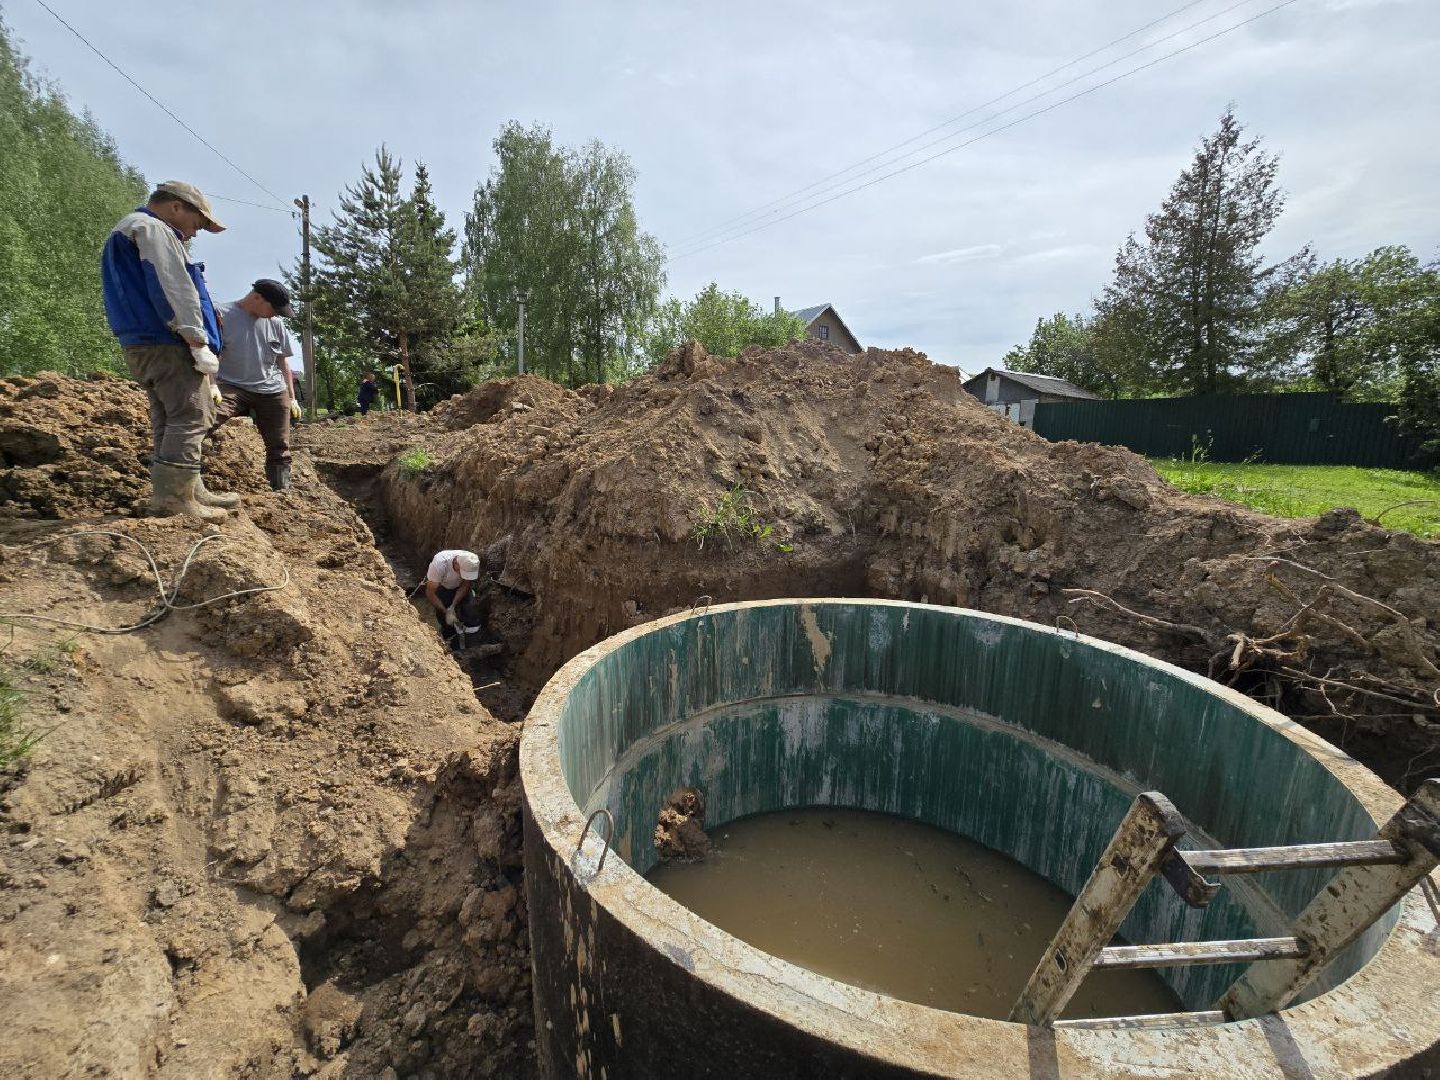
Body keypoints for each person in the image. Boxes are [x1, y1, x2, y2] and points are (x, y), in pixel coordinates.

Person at [100, 180, 231, 519]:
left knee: (169, 416)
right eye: (197, 223)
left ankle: (188, 489)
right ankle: (174, 499)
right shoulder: (153, 230)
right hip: (166, 341)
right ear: (176, 207)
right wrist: (196, 340)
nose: (196, 233)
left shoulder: (129, 229)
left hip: (142, 341)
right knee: (191, 414)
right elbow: (172, 287)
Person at [211, 280, 298, 490]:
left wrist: (292, 397)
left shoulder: (276, 324)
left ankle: (281, 489)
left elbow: (282, 362)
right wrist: (210, 384)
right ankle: (174, 463)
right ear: (257, 297)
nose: (275, 314)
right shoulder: (220, 314)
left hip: (272, 390)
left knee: (280, 444)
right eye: (273, 308)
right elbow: (209, 352)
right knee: (204, 420)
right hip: (231, 386)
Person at [425, 549, 481, 647]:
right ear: (456, 563)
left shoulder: (471, 561)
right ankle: (450, 643)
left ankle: (471, 641)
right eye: (462, 572)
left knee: (471, 610)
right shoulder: (439, 565)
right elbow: (430, 593)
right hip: (443, 587)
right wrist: (446, 611)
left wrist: (453, 605)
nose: (464, 576)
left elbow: (465, 585)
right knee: (445, 621)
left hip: (459, 587)